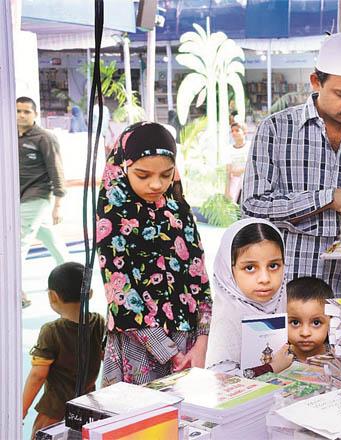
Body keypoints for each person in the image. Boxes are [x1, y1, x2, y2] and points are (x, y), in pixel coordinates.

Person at [241, 33, 341, 296]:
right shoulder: (276, 130)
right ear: (316, 82)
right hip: (286, 292)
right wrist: (327, 199)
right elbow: (253, 206)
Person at [95, 122, 212, 386]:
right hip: (137, 349)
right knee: (138, 423)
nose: (156, 184)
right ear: (123, 167)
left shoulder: (179, 211)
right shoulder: (112, 218)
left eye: (166, 174)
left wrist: (201, 342)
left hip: (188, 345)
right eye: (143, 175)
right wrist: (169, 353)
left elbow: (200, 282)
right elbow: (121, 295)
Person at [22, 262, 106, 438]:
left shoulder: (51, 331)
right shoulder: (98, 322)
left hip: (54, 410)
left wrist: (21, 409)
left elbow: (38, 375)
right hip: (87, 405)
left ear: (53, 296)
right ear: (89, 294)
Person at [205, 218, 294, 378]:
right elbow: (221, 379)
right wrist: (272, 367)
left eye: (274, 266)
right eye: (250, 268)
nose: (265, 278)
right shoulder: (227, 317)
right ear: (228, 270)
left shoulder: (279, 299)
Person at [17, 96, 69, 308]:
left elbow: (57, 171)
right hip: (19, 198)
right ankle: (77, 277)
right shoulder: (12, 136)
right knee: (51, 240)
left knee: (18, 243)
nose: (21, 115)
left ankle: (17, 292)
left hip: (37, 197)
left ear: (35, 114)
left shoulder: (44, 138)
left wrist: (58, 205)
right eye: (18, 111)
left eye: (27, 111)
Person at [286, 277, 333, 362]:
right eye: (295, 322)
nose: (305, 333)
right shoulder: (277, 358)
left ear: (331, 321)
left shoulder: (338, 358)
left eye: (316, 323)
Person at [226, 122, 249, 203]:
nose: (234, 133)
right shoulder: (229, 150)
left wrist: (242, 170)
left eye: (237, 130)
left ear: (245, 132)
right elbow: (228, 172)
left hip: (249, 187)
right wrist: (227, 191)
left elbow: (255, 166)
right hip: (235, 188)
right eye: (232, 131)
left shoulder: (250, 147)